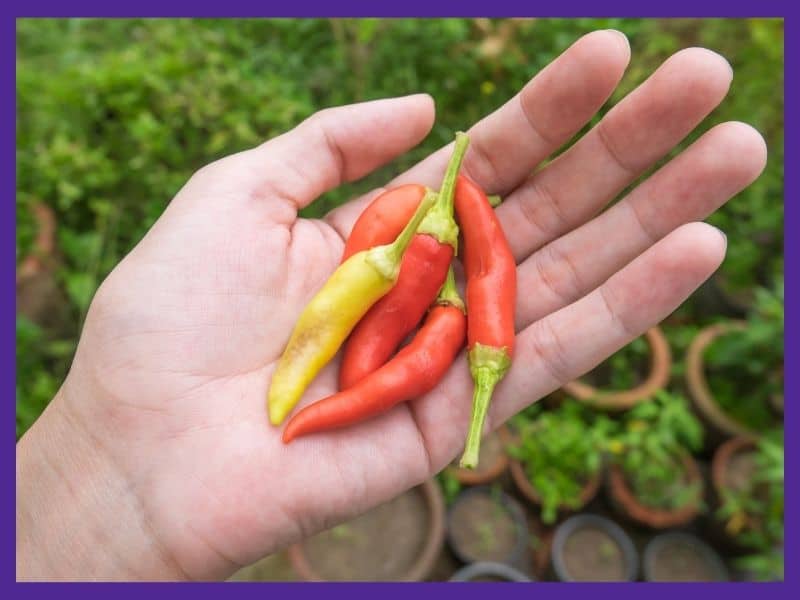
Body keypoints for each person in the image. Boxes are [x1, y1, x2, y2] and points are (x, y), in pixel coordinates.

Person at [16, 30, 767, 581]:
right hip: (408, 278)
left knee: (414, 320)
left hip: (426, 292)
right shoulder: (405, 261)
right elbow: (349, 339)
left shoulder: (426, 274)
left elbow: (398, 338)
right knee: (389, 315)